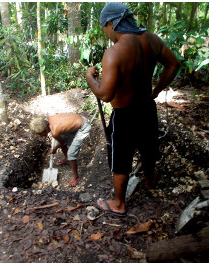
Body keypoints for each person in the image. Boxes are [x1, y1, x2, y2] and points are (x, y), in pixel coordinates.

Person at [86, 2, 179, 216]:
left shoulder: (114, 52)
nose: (107, 34)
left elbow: (105, 95)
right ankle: (149, 179)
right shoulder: (152, 40)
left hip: (125, 113)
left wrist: (89, 77)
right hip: (146, 107)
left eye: (105, 29)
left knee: (121, 157)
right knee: (148, 147)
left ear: (111, 24)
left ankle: (119, 203)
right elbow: (173, 64)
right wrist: (156, 91)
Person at [29, 113, 92, 187]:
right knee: (61, 138)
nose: (39, 136)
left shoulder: (55, 132)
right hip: (80, 118)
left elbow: (62, 142)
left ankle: (76, 177)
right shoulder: (50, 119)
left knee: (71, 154)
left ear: (46, 129)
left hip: (84, 127)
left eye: (40, 134)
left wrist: (54, 149)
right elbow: (61, 140)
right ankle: (67, 159)